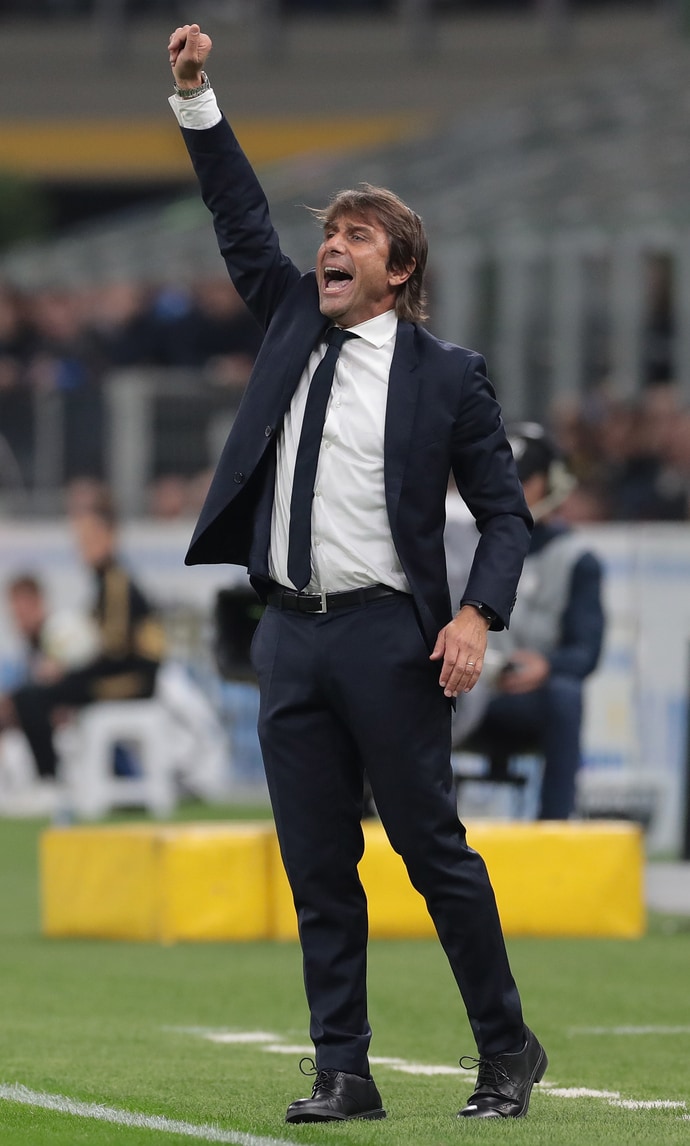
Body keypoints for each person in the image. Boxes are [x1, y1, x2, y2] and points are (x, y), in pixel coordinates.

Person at [168, 23, 546, 1123]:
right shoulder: (291, 313)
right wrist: (197, 97)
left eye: (355, 235)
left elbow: (506, 514)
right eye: (328, 233)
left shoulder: (448, 377)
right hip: (288, 634)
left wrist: (478, 613)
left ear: (400, 268)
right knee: (318, 865)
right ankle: (344, 1070)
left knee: (431, 853)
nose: (330, 245)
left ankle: (507, 1048)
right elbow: (239, 214)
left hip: (390, 638)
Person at [454, 423, 605, 819]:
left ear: (552, 483)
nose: (511, 487)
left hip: (519, 698)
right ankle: (380, 814)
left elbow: (586, 651)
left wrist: (546, 667)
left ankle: (554, 825)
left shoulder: (575, 559)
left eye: (523, 479)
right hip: (457, 687)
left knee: (565, 695)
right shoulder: (458, 542)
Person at [3, 499, 166, 780]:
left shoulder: (117, 584)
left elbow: (113, 650)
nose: (84, 547)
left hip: (132, 681)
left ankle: (48, 779)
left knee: (31, 697)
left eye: (91, 539)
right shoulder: (104, 585)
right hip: (115, 675)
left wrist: (66, 670)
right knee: (31, 695)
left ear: (111, 537)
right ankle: (49, 777)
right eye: (81, 541)